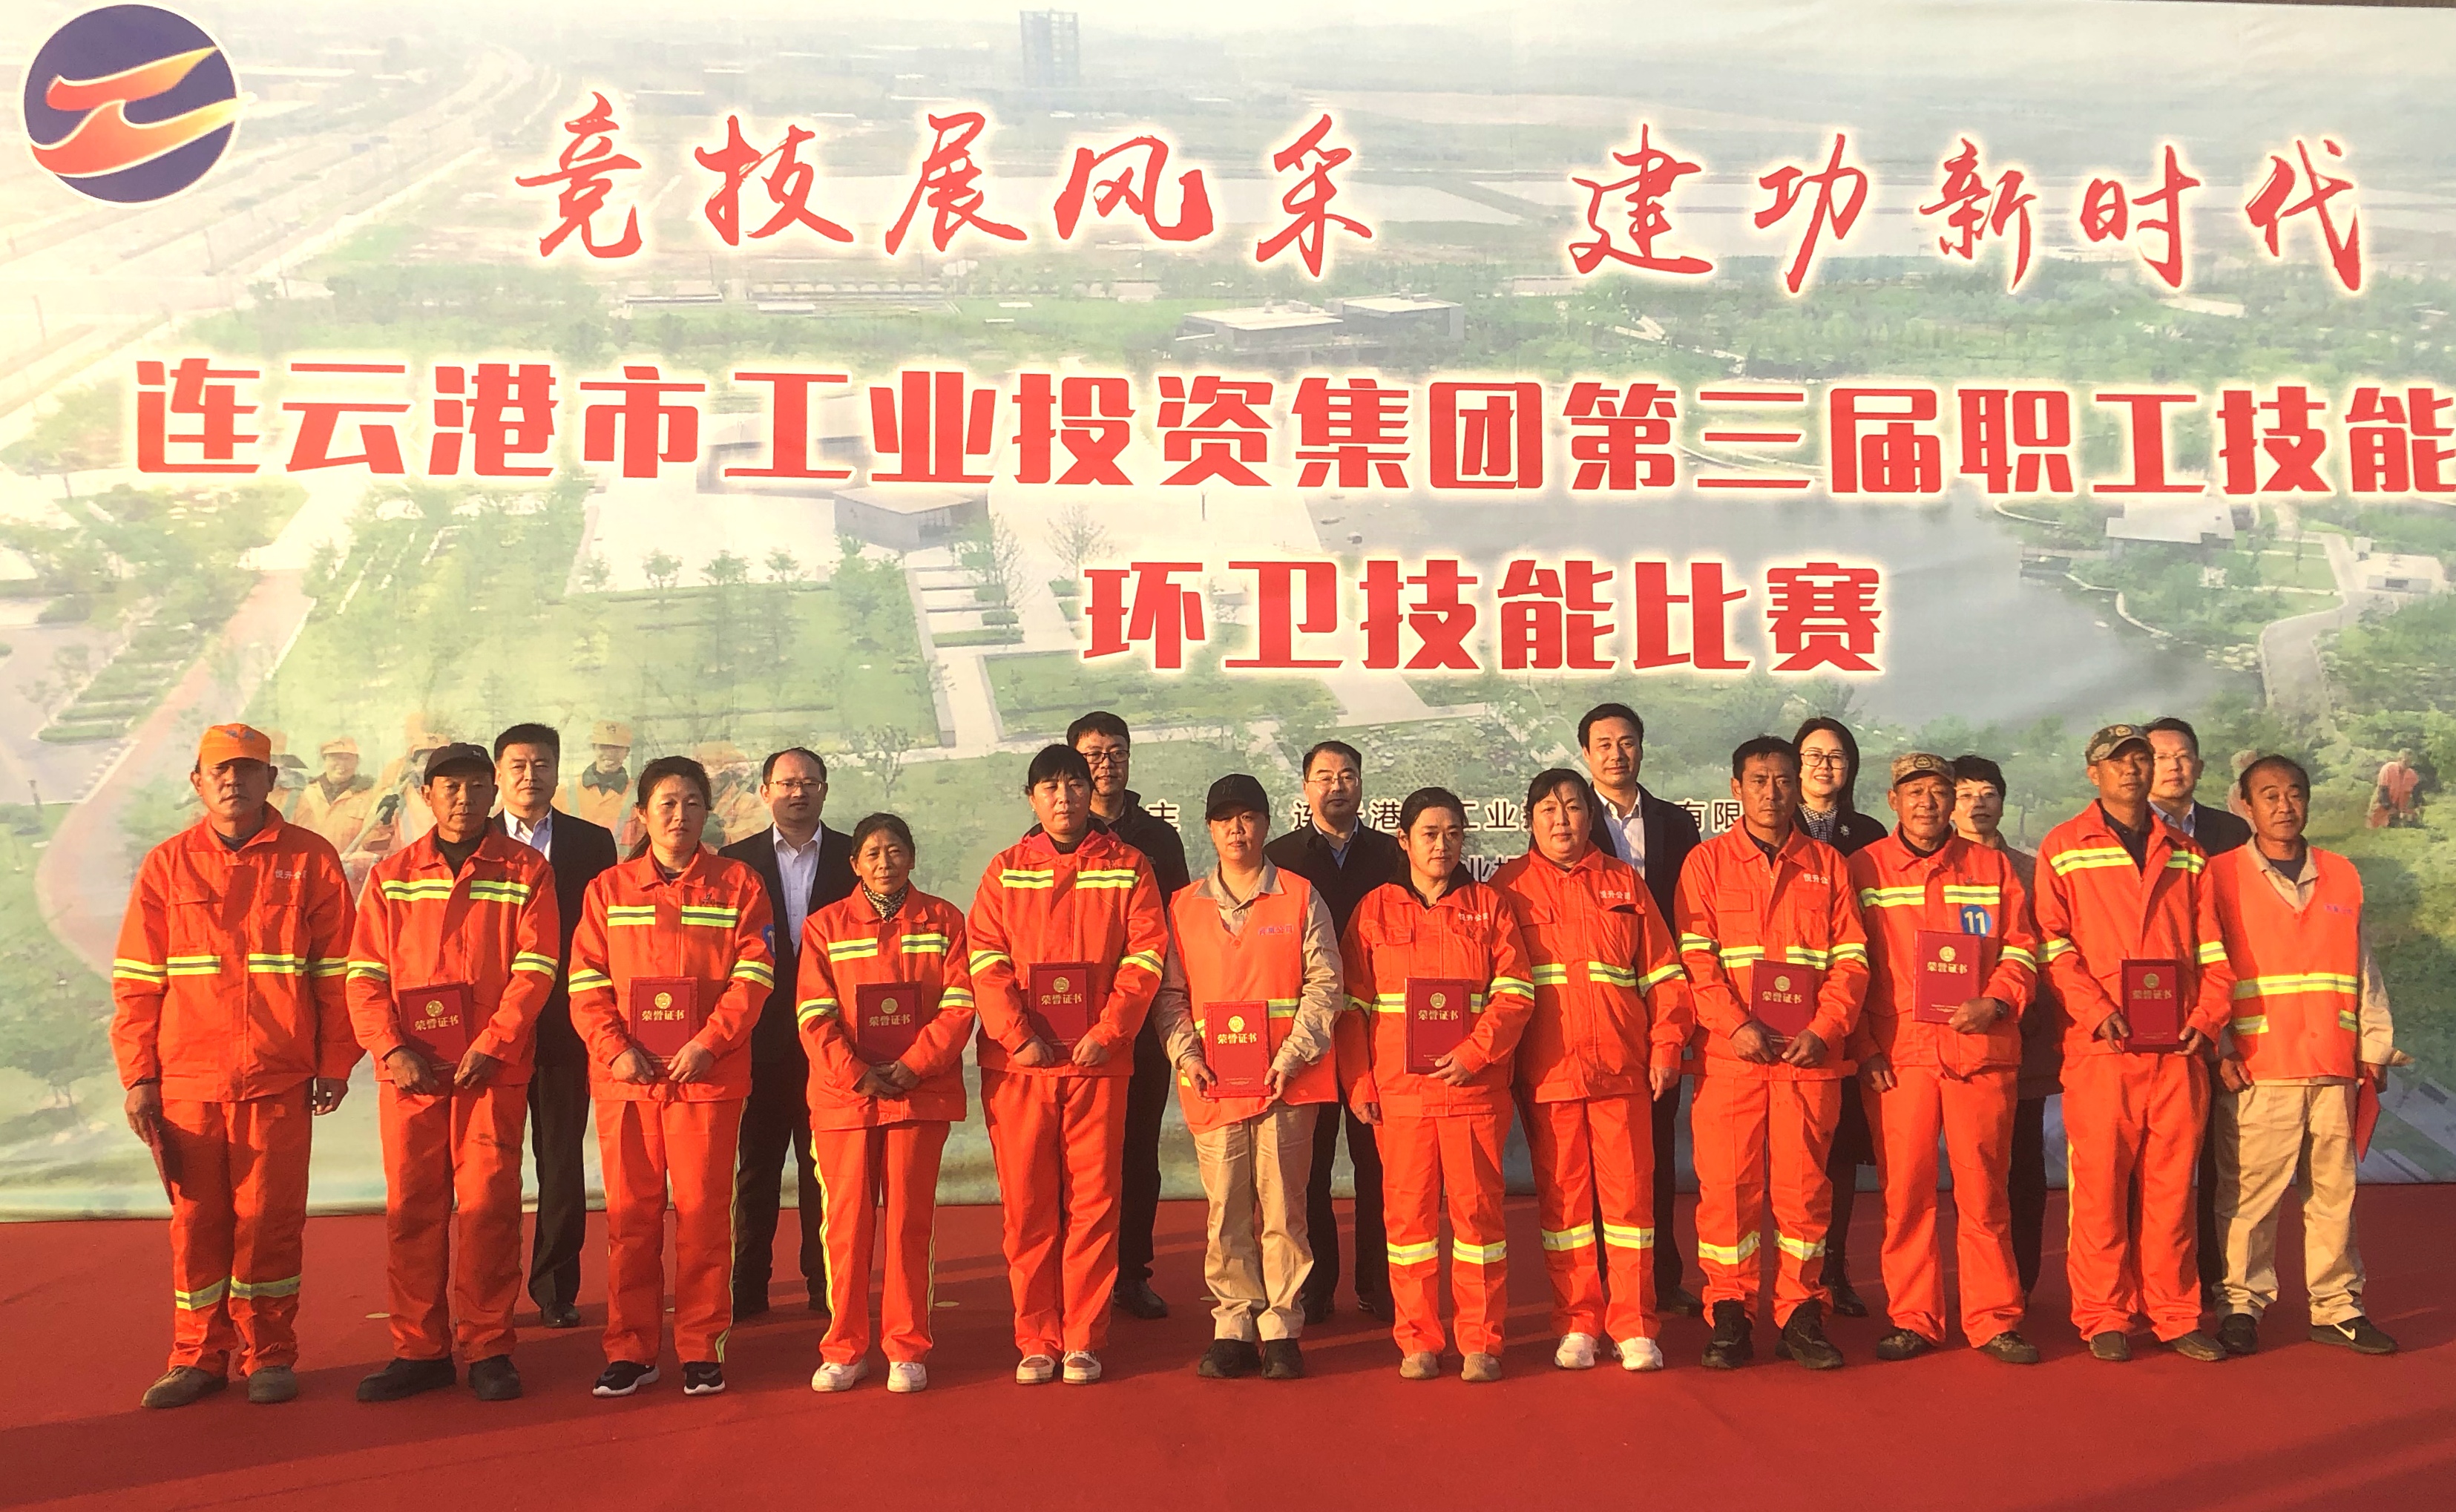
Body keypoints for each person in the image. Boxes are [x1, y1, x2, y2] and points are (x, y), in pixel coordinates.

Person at [113, 723, 358, 1409]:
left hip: (278, 1078)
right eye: (220, 770)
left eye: (248, 769)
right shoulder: (167, 865)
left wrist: (336, 1061)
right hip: (187, 1082)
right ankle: (196, 1357)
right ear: (197, 781)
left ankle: (269, 1354)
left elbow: (338, 973)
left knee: (270, 1222)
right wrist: (139, 1076)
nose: (233, 781)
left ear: (271, 781)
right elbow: (138, 982)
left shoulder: (311, 859)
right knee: (196, 1226)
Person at [347, 743, 559, 1403]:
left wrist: (495, 1043)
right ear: (427, 795)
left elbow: (536, 968)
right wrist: (391, 1050)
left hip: (489, 1073)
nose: (464, 799)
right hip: (411, 1076)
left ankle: (489, 1346)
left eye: (475, 787)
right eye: (449, 788)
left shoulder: (527, 871)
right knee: (413, 1211)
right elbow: (364, 975)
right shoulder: (392, 876)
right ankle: (419, 1350)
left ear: (493, 792)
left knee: (491, 1209)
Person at [566, 757, 775, 1398]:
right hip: (626, 1081)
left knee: (705, 1218)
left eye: (691, 803)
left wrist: (710, 1043)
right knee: (631, 1219)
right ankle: (630, 1349)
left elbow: (754, 976)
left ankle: (701, 1346)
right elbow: (585, 980)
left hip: (706, 1079)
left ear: (708, 811)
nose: (679, 815)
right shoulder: (607, 889)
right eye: (666, 803)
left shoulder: (739, 885)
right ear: (642, 814)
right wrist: (614, 1050)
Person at [968, 744, 1170, 1385]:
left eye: (1074, 784)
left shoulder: (1130, 866)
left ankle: (1083, 1337)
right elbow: (985, 960)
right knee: (1028, 1206)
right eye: (1051, 787)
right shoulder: (1006, 870)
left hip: (1096, 1064)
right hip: (1021, 1068)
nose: (1064, 797)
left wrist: (1109, 1033)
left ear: (1091, 791)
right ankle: (1036, 1338)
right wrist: (1016, 1036)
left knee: (1094, 1203)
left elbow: (1145, 957)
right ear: (1031, 798)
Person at [2031, 724, 2232, 1364]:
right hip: (2103, 1050)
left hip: (2177, 1051)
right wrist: (2096, 1012)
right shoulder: (2064, 847)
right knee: (2099, 1191)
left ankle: (2174, 1313)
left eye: (2141, 759)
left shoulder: (2187, 853)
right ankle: (2104, 1314)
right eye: (2117, 761)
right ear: (2093, 773)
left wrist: (2207, 1017)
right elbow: (2053, 946)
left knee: (2172, 1192)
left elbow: (2214, 951)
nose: (2132, 770)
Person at [1676, 736, 1868, 1372]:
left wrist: (1827, 1028)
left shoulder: (1828, 865)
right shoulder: (1706, 864)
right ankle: (1729, 1313)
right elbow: (1696, 959)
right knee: (1727, 1192)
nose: (1772, 792)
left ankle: (1801, 1313)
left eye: (1783, 779)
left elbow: (1852, 960)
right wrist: (1733, 1025)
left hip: (1808, 1061)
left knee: (1805, 1192)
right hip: (1733, 1060)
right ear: (1736, 788)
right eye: (1758, 780)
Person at [1149, 775, 1345, 1381]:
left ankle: (1282, 1327)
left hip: (1287, 1084)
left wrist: (1290, 1056)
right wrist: (1188, 1057)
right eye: (1225, 819)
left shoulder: (1301, 896)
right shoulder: (1183, 907)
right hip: (1213, 1086)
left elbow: (1326, 985)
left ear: (1266, 824)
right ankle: (1233, 1323)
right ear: (1209, 829)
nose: (1237, 829)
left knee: (1285, 1209)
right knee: (1226, 1209)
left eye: (1249, 817)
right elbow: (1169, 996)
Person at [1493, 769, 1690, 1373]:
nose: (1562, 820)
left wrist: (1666, 1047)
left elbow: (1664, 973)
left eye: (1574, 807)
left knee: (1631, 1206)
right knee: (1566, 1211)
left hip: (1622, 1070)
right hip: (1548, 1073)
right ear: (1529, 820)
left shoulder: (1624, 881)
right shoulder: (1508, 888)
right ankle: (1577, 1321)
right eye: (1549, 809)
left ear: (1590, 816)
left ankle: (1634, 1325)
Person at [1848, 753, 2041, 1365]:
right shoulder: (1864, 868)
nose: (1927, 803)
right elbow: (1849, 965)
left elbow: (2023, 950)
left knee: (1985, 1193)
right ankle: (1915, 1317)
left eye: (1938, 792)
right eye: (1915, 793)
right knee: (1906, 1195)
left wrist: (1997, 1001)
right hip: (1899, 1058)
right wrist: (1865, 1047)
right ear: (1893, 801)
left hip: (1979, 1050)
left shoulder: (1991, 867)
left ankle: (1994, 1319)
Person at [1337, 787, 1535, 1383]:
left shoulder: (1490, 906)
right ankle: (1418, 1340)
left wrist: (1476, 1053)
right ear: (1404, 840)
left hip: (1473, 1091)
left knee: (1479, 1222)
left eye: (1453, 833)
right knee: (1408, 1225)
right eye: (1429, 833)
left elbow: (1515, 993)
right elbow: (1351, 1006)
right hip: (1400, 1096)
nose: (1442, 845)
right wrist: (1359, 1081)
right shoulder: (1374, 911)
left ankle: (1481, 1341)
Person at [2210, 756, 2404, 1357]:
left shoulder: (2341, 873)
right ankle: (2240, 1305)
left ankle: (2339, 1308)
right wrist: (2220, 1047)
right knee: (2248, 1199)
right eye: (2269, 794)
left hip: (2332, 1064)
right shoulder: (2219, 876)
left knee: (2333, 1197)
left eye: (2294, 793)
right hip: (2258, 1066)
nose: (2284, 805)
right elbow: (2205, 968)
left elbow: (2362, 965)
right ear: (2245, 805)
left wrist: (2374, 1044)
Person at [798, 814, 979, 1393]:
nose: (884, 862)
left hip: (917, 1094)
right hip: (845, 1099)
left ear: (913, 856)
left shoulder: (945, 921)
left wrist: (914, 1065)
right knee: (846, 1228)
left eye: (895, 850)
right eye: (872, 853)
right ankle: (844, 1349)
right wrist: (856, 1072)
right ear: (854, 864)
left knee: (907, 1224)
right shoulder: (824, 926)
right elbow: (813, 1013)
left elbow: (960, 1004)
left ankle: (906, 1347)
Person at [1575, 702, 1707, 1320]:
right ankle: (1602, 1282)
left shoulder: (1677, 824)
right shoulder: (1570, 819)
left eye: (1626, 742)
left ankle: (1660, 1277)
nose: (1616, 754)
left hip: (1659, 1003)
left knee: (1651, 1151)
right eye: (1603, 744)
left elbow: (1691, 916)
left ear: (1642, 747)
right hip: (1595, 1010)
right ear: (1586, 754)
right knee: (1591, 1163)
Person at [1268, 740, 1405, 1327]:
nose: (1337, 786)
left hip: (1378, 1032)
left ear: (1362, 784)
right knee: (1311, 1168)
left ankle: (1379, 1284)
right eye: (1323, 776)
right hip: (1307, 1035)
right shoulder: (1280, 857)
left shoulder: (1393, 855)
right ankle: (1317, 1286)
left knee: (1380, 1166)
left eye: (1347, 775)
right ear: (1306, 788)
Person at [490, 723, 619, 1331]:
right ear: (498, 775)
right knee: (490, 1167)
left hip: (566, 1027)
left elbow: (603, 937)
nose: (529, 775)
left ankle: (555, 1289)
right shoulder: (476, 841)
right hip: (491, 1030)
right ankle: (487, 1292)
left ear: (557, 770)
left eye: (541, 764)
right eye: (517, 765)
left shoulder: (591, 844)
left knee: (561, 1163)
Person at [720, 749, 855, 1318]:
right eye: (786, 783)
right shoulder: (735, 862)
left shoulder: (855, 857)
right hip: (759, 1040)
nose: (798, 793)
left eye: (809, 783)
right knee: (755, 1169)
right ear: (765, 791)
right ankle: (747, 1285)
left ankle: (824, 1285)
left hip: (837, 1040)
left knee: (826, 1171)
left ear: (824, 790)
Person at [1068, 711, 1192, 1322]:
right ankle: (1078, 1273)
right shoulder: (1053, 835)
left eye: (1116, 752)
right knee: (1079, 1156)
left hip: (1139, 1022)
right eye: (1093, 754)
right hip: (1073, 1026)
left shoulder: (1159, 840)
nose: (1106, 764)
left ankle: (1132, 1273)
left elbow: (1178, 929)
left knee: (1139, 1150)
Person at [1952, 755, 2056, 1298]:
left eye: (1988, 793)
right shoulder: (1936, 867)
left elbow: (2046, 950)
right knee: (1969, 1170)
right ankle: (1974, 1283)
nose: (1978, 804)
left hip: (2021, 1035)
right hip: (1947, 1041)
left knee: (2023, 1162)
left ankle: (2022, 1280)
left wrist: (2013, 1004)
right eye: (1965, 794)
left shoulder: (2031, 871)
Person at [1792, 716, 1885, 1318]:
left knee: (1841, 1149)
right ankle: (1791, 1275)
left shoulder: (1869, 835)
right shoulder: (1774, 828)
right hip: (1781, 1016)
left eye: (1837, 757)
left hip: (1847, 1011)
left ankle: (1834, 1266)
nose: (1825, 767)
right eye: (1814, 756)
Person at [2145, 717, 2254, 856]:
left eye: (2183, 756)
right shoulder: (2128, 830)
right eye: (2161, 757)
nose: (2174, 766)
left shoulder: (2233, 829)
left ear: (2199, 768)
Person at [293, 737, 376, 853]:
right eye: (335, 758)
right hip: (307, 862)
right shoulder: (304, 793)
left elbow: (372, 840)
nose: (342, 764)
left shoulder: (371, 796)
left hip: (346, 864)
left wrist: (354, 861)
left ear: (357, 762)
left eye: (347, 759)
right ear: (324, 760)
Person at [562, 721, 636, 835]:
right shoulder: (565, 791)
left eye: (616, 748)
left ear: (627, 752)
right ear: (594, 748)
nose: (610, 754)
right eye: (604, 747)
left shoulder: (639, 795)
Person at [2368, 752, 2421, 828]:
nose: (2408, 764)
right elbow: (2383, 791)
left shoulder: (2412, 775)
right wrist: (2390, 808)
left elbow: (2417, 793)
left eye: (2410, 762)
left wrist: (2418, 806)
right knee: (2375, 829)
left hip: (2399, 812)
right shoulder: (2388, 769)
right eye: (2406, 761)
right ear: (2399, 759)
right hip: (2381, 808)